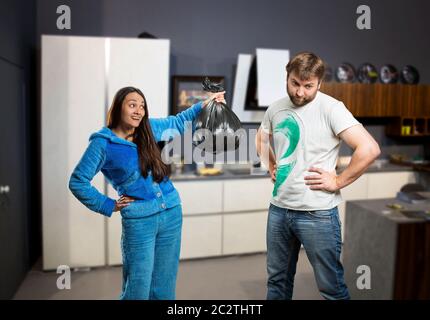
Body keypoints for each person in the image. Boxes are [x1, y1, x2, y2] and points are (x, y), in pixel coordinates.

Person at [69, 86, 225, 300]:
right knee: (137, 289)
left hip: (171, 212)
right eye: (132, 105)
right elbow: (78, 181)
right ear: (118, 108)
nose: (138, 111)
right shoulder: (102, 143)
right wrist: (109, 205)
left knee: (164, 288)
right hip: (140, 220)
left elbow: (178, 122)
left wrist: (205, 103)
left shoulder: (148, 128)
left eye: (142, 106)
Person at [256, 52, 380, 300]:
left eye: (308, 86)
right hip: (279, 210)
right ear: (287, 77)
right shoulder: (276, 108)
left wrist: (337, 181)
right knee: (277, 284)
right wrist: (270, 164)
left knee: (331, 289)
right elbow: (261, 138)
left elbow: (369, 149)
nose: (300, 93)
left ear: (319, 83)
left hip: (318, 214)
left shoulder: (332, 109)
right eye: (294, 84)